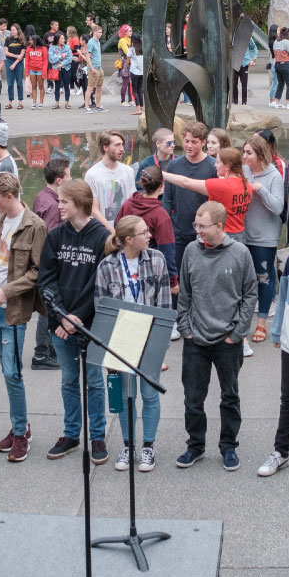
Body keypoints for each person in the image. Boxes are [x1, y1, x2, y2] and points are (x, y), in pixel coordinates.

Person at [174, 199, 256, 470]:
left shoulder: (240, 253)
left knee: (229, 396)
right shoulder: (190, 251)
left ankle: (228, 447)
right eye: (196, 224)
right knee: (193, 399)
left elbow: (249, 295)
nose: (197, 230)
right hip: (195, 339)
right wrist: (185, 329)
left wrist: (237, 333)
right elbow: (185, 293)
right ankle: (195, 446)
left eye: (203, 226)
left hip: (227, 341)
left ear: (219, 226)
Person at [42, 179, 114, 463]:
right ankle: (71, 433)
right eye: (59, 201)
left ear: (81, 204)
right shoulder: (55, 235)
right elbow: (46, 280)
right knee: (69, 380)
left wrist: (77, 317)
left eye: (63, 202)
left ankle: (97, 437)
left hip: (91, 324)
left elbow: (100, 283)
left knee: (94, 382)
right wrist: (61, 316)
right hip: (60, 325)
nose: (58, 206)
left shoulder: (101, 238)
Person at [0, 170, 43, 461]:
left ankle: (20, 432)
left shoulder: (34, 226)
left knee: (12, 372)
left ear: (11, 196)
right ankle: (20, 426)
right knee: (7, 370)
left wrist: (9, 290)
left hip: (11, 309)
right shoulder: (2, 218)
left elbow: (37, 272)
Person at [95, 213, 172, 475]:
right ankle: (129, 446)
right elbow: (101, 310)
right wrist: (108, 349)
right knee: (127, 397)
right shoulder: (107, 267)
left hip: (149, 338)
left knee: (150, 395)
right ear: (129, 239)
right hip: (121, 340)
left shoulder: (157, 260)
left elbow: (164, 306)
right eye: (144, 233)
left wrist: (160, 347)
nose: (149, 235)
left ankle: (148, 446)